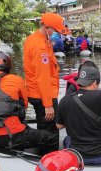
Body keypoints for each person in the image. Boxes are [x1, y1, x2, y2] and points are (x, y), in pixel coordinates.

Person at [0, 51, 57, 153]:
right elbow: (24, 106)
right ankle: (43, 164)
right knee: (51, 138)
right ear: (8, 67)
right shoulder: (17, 80)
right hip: (14, 135)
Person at [23, 12, 69, 154]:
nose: (56, 33)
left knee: (44, 127)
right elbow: (42, 77)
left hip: (40, 93)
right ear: (47, 27)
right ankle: (49, 159)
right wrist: (48, 105)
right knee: (51, 131)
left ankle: (43, 155)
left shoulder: (38, 40)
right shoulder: (40, 46)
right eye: (55, 30)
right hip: (43, 96)